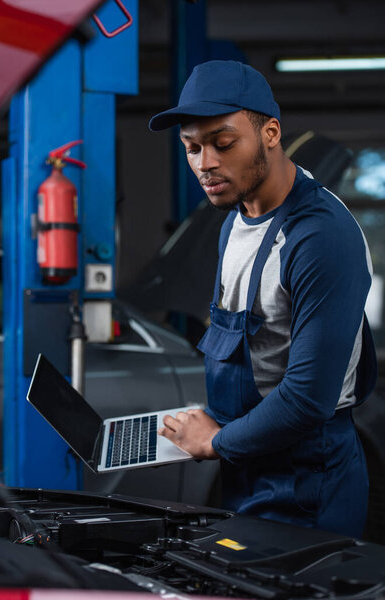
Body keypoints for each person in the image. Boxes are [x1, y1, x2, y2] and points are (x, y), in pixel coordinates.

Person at [148, 60, 377, 537]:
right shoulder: (234, 217)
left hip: (307, 475)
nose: (205, 163)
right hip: (250, 457)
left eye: (223, 143)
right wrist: (211, 419)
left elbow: (308, 400)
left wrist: (217, 440)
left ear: (271, 132)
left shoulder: (319, 238)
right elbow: (255, 349)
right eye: (191, 148)